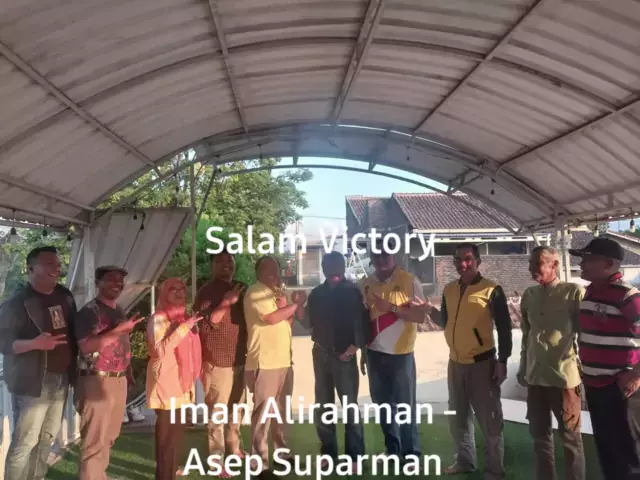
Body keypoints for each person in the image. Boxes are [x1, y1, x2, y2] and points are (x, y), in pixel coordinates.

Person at [425, 243, 512, 479]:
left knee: (490, 421)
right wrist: (428, 310)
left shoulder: (492, 289)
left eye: (467, 259)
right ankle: (465, 461)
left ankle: (494, 470)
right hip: (455, 363)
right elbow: (445, 321)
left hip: (482, 364)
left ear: (478, 261)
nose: (462, 264)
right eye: (458, 259)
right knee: (459, 417)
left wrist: (502, 361)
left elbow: (504, 328)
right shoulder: (449, 289)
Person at [0, 246, 78, 480]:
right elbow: (4, 343)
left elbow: (73, 332)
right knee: (25, 442)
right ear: (31, 269)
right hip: (32, 382)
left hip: (61, 378)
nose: (57, 267)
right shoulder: (17, 303)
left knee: (46, 439)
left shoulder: (65, 295)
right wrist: (35, 343)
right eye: (49, 263)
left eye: (58, 263)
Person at [569, 238, 640, 480]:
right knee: (606, 447)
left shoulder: (627, 296)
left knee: (627, 453)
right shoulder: (589, 293)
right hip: (595, 385)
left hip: (621, 388)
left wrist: (635, 374)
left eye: (588, 260)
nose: (582, 264)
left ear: (609, 264)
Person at [295, 251, 369, 468]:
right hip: (321, 354)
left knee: (350, 406)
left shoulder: (353, 292)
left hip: (345, 356)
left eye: (337, 265)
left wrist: (354, 348)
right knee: (323, 406)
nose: (333, 269)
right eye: (329, 265)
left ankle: (354, 456)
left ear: (343, 267)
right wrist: (298, 306)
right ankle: (328, 453)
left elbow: (363, 323)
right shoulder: (317, 293)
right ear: (323, 268)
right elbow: (307, 322)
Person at [517, 246, 585, 480]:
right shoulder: (529, 295)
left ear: (554, 265)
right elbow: (526, 336)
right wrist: (523, 367)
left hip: (564, 378)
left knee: (571, 440)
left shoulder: (573, 292)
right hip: (535, 378)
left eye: (537, 263)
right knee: (540, 438)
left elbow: (584, 336)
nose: (531, 268)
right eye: (530, 264)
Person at [74, 265, 144, 480]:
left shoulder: (118, 310)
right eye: (111, 278)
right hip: (96, 379)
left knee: (109, 436)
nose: (117, 283)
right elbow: (86, 347)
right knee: (94, 440)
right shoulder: (88, 312)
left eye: (120, 279)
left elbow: (120, 343)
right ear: (98, 283)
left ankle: (98, 476)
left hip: (118, 379)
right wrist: (118, 331)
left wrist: (127, 371)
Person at [358, 237, 425, 461]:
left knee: (405, 406)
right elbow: (364, 320)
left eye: (385, 254)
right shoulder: (365, 284)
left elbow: (420, 316)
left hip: (401, 354)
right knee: (383, 406)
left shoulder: (409, 281)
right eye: (376, 255)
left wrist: (392, 308)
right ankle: (392, 449)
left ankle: (411, 454)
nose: (381, 259)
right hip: (374, 353)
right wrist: (363, 352)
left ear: (393, 255)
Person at [243, 256, 305, 478]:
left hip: (284, 362)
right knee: (263, 414)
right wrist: (295, 305)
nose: (275, 274)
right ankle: (259, 464)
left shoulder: (276, 293)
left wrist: (288, 306)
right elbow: (270, 319)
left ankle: (281, 453)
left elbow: (288, 321)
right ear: (258, 272)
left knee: (281, 412)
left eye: (276, 269)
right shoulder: (255, 292)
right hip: (264, 362)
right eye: (269, 269)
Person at [194, 250, 248, 477]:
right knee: (217, 413)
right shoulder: (206, 292)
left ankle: (234, 448)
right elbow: (207, 324)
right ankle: (216, 460)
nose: (226, 264)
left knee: (237, 409)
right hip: (217, 362)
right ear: (212, 266)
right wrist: (226, 302)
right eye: (219, 261)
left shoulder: (242, 287)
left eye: (229, 260)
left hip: (241, 359)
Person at [146, 278, 203, 480]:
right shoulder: (159, 319)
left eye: (182, 289)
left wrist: (187, 327)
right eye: (173, 289)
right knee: (168, 438)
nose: (179, 292)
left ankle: (167, 473)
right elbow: (159, 351)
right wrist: (183, 328)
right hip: (166, 383)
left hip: (181, 383)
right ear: (164, 293)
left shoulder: (183, 317)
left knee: (174, 438)